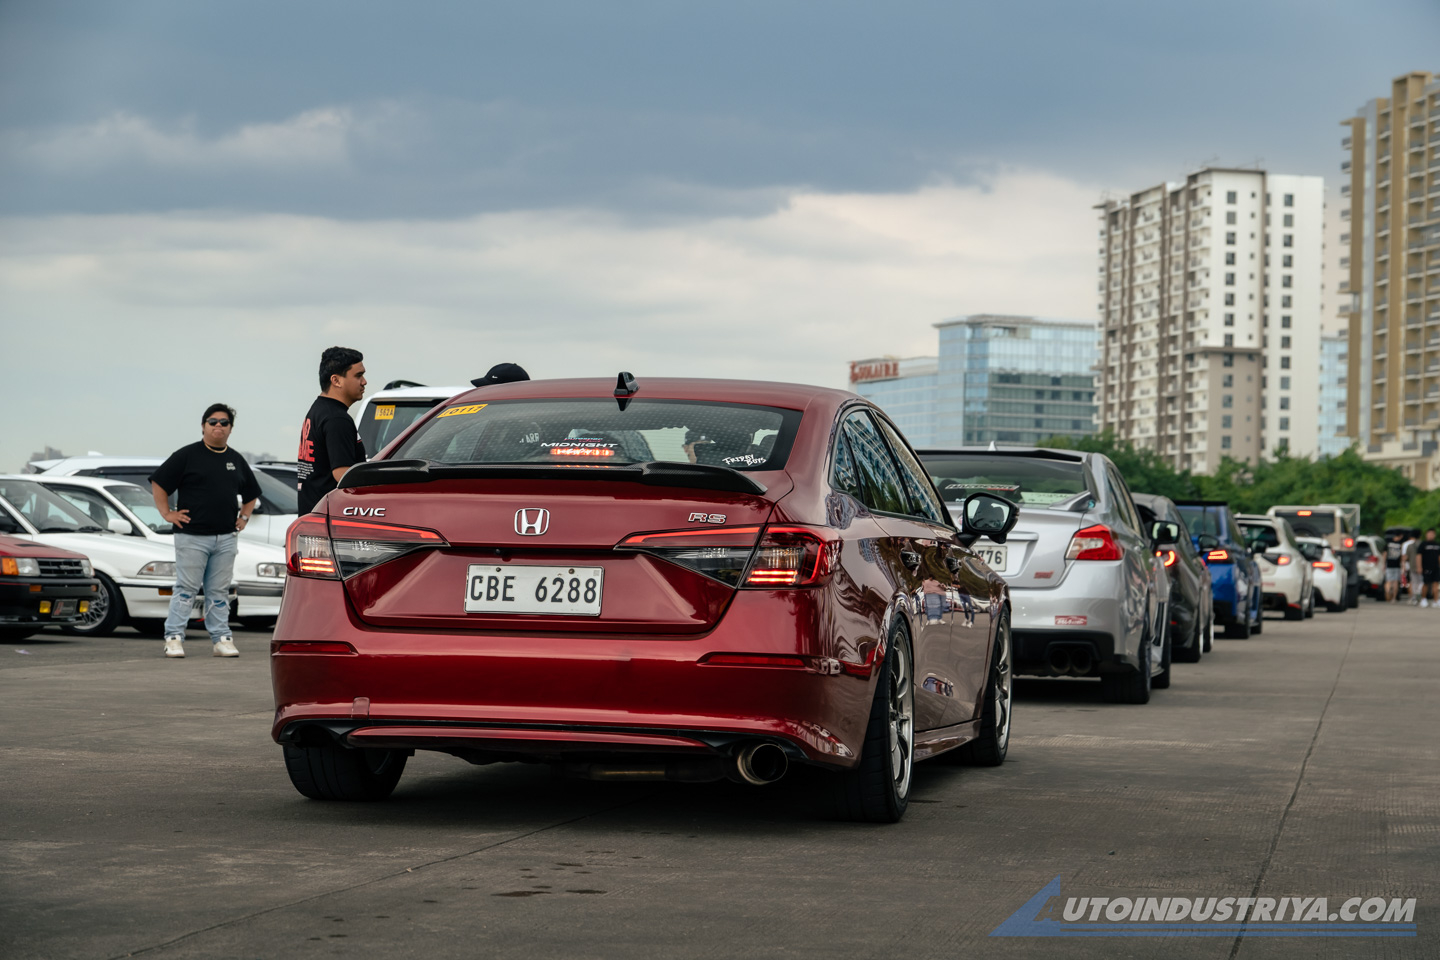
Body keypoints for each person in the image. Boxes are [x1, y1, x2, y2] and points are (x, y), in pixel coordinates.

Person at [149, 404, 260, 659]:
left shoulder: (235, 459)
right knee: (186, 589)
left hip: (226, 538)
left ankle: (221, 639)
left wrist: (244, 517)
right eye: (213, 421)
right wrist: (167, 513)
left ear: (230, 428)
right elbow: (159, 482)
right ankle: (174, 638)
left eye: (224, 422)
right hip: (192, 536)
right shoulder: (187, 455)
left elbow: (252, 493)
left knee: (219, 592)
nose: (218, 426)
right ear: (203, 426)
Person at [298, 346, 367, 515]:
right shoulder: (337, 419)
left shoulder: (318, 410)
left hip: (313, 516)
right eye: (358, 375)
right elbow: (342, 474)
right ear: (336, 380)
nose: (364, 381)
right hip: (330, 519)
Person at [1419, 528, 1440, 608]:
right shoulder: (1423, 544)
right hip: (1426, 567)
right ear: (1426, 534)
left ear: (1434, 535)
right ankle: (1423, 599)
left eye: (1432, 534)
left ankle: (1436, 600)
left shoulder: (1437, 544)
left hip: (1436, 567)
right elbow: (1419, 556)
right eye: (1429, 534)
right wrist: (1419, 566)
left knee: (1436, 583)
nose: (1431, 535)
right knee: (1426, 583)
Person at [1384, 531, 1404, 602]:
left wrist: (1383, 564)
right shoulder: (1400, 545)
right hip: (1397, 565)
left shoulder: (1388, 544)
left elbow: (1385, 554)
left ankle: (1387, 591)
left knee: (1388, 581)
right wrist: (1403, 565)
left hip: (1389, 565)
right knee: (1395, 582)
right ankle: (1394, 598)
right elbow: (1402, 556)